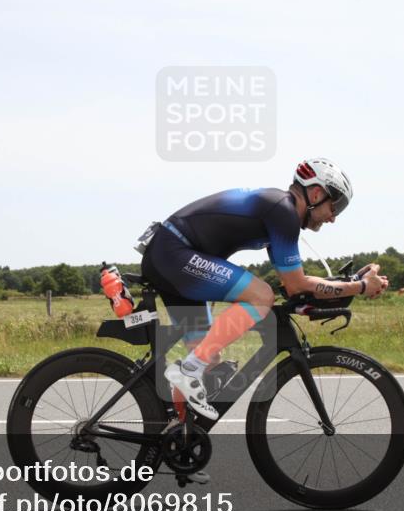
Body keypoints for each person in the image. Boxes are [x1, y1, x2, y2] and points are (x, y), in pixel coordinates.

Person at [140, 158, 389, 422]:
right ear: (317, 193)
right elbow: (296, 284)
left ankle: (177, 432)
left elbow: (294, 283)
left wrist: (351, 282)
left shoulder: (279, 212)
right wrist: (360, 287)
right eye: (335, 206)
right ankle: (189, 370)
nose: (334, 217)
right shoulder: (283, 212)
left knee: (208, 359)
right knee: (260, 296)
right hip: (174, 254)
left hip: (172, 256)